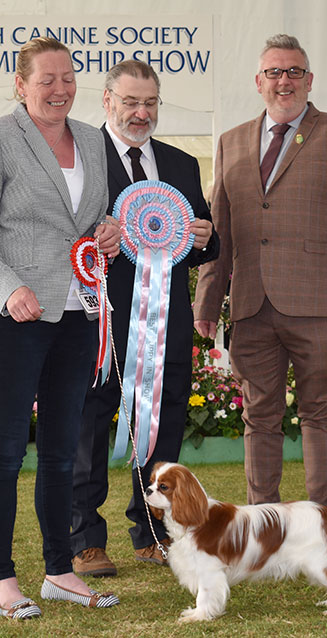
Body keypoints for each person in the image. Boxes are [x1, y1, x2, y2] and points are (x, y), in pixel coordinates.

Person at [193, 34, 327, 515]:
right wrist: (208, 303)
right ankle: (263, 523)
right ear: (258, 81)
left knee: (319, 412)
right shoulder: (230, 141)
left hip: (317, 304)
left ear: (309, 80)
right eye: (274, 72)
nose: (284, 80)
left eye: (294, 71)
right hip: (252, 306)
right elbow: (221, 230)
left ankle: (321, 526)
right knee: (259, 417)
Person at [71, 60, 219, 577]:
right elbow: (65, 233)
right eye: (130, 102)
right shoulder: (80, 155)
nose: (141, 113)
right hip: (103, 323)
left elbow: (206, 240)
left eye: (150, 103)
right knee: (90, 425)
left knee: (163, 426)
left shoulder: (181, 163)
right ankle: (86, 539)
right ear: (107, 100)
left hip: (168, 326)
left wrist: (203, 236)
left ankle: (152, 532)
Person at [0, 37, 121, 620]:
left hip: (80, 313)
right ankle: (2, 580)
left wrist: (110, 235)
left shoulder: (95, 141)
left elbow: (95, 217)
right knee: (3, 453)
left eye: (68, 78)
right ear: (21, 86)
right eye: (46, 79)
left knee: (60, 454)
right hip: (16, 315)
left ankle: (59, 571)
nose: (59, 89)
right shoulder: (3, 138)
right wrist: (8, 289)